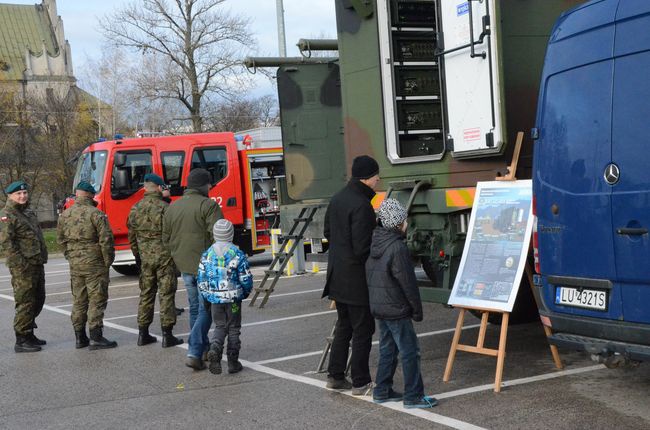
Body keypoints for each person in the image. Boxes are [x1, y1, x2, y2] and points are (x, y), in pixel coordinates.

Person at [366, 198, 438, 409]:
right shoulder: (397, 248)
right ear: (398, 223)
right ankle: (414, 395)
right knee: (409, 351)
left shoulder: (376, 243)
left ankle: (382, 390)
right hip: (397, 308)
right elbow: (408, 284)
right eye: (404, 220)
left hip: (380, 307)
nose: (407, 224)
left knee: (388, 349)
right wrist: (417, 310)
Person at [323, 155, 380, 395]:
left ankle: (335, 375)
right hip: (356, 279)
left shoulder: (337, 198)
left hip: (337, 275)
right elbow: (362, 247)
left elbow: (327, 232)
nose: (379, 180)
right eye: (377, 176)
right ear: (369, 178)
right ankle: (360, 380)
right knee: (363, 329)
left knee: (344, 326)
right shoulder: (362, 205)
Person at [163, 168, 222, 366]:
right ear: (204, 185)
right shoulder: (208, 205)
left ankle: (202, 349)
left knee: (195, 308)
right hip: (206, 266)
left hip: (185, 266)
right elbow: (219, 237)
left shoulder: (172, 207)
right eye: (209, 184)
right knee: (207, 310)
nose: (211, 187)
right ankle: (195, 351)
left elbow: (166, 239)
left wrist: (178, 256)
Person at [57, 181, 117, 350]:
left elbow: (61, 240)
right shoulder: (96, 214)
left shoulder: (65, 215)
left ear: (77, 195)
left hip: (75, 264)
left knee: (79, 300)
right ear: (91, 195)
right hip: (95, 263)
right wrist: (107, 261)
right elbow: (106, 240)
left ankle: (80, 337)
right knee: (96, 299)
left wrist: (70, 256)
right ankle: (96, 337)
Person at [127, 174, 183, 348]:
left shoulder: (135, 208)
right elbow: (174, 235)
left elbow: (132, 237)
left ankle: (143, 333)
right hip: (165, 258)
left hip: (146, 259)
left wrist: (138, 256)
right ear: (159, 188)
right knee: (166, 294)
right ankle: (167, 335)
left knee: (146, 294)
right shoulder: (165, 208)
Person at [191, 219, 253, 374]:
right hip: (233, 299)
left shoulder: (207, 254)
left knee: (220, 326)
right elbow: (245, 278)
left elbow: (201, 278)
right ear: (231, 235)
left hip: (215, 300)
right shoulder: (237, 253)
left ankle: (215, 348)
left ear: (214, 234)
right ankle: (233, 362)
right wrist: (245, 292)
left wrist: (207, 295)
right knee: (233, 328)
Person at [0, 180, 48, 353]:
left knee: (39, 298)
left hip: (36, 263)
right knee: (25, 302)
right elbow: (7, 244)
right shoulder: (7, 215)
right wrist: (19, 265)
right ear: (10, 195)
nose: (22, 196)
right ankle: (21, 339)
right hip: (23, 267)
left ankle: (29, 333)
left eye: (24, 193)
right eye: (18, 194)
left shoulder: (27, 212)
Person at [161, 184, 185, 317]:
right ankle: (169, 309)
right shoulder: (167, 208)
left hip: (151, 253)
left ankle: (171, 307)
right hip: (167, 251)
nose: (168, 191)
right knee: (169, 283)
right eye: (166, 189)